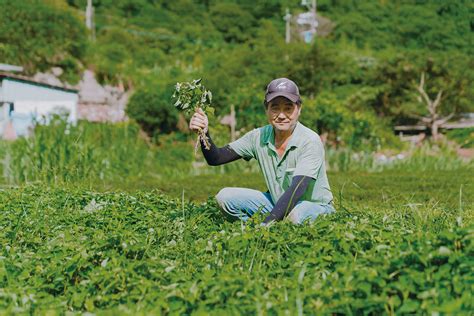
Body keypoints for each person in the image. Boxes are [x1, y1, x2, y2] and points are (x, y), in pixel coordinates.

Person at [189, 78, 334, 225]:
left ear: (299, 109)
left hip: (314, 206)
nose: (282, 115)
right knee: (225, 197)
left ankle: (269, 229)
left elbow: (297, 188)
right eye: (275, 108)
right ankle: (252, 231)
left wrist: (267, 223)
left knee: (296, 216)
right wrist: (203, 133)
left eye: (288, 108)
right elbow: (216, 158)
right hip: (277, 204)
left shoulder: (309, 140)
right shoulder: (257, 137)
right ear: (266, 109)